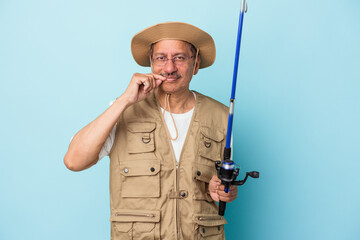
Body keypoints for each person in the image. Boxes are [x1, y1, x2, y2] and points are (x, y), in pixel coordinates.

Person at [64, 22, 238, 240]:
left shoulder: (222, 117)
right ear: (151, 63)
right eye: (161, 58)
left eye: (180, 58)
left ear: (196, 64)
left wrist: (221, 191)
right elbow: (74, 160)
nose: (169, 68)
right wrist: (124, 100)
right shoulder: (122, 110)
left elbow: (218, 185)